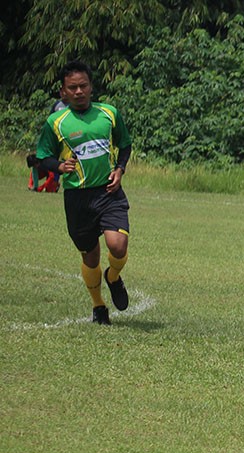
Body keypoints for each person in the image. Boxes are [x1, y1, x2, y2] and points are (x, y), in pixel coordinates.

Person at [35, 61, 133, 325]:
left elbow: (125, 144)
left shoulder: (109, 113)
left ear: (91, 87)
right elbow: (42, 157)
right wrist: (58, 165)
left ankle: (113, 276)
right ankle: (99, 306)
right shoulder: (56, 122)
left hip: (108, 192)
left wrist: (120, 169)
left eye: (83, 86)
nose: (78, 91)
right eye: (72, 87)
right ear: (62, 92)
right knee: (90, 255)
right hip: (77, 198)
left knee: (118, 245)